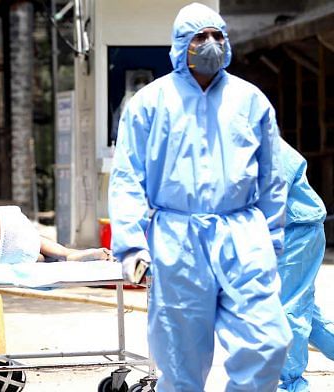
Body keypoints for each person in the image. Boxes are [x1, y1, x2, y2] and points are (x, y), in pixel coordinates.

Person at [109, 3, 291, 391]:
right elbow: (127, 178)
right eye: (199, 37)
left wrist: (271, 239)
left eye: (217, 35)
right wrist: (131, 248)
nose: (211, 44)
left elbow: (273, 176)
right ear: (180, 46)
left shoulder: (251, 100)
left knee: (268, 342)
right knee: (180, 361)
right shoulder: (148, 104)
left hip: (243, 236)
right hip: (177, 240)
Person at [277, 138, 334, 392]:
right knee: (303, 309)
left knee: (287, 310)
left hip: (296, 231)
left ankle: (290, 386)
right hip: (289, 230)